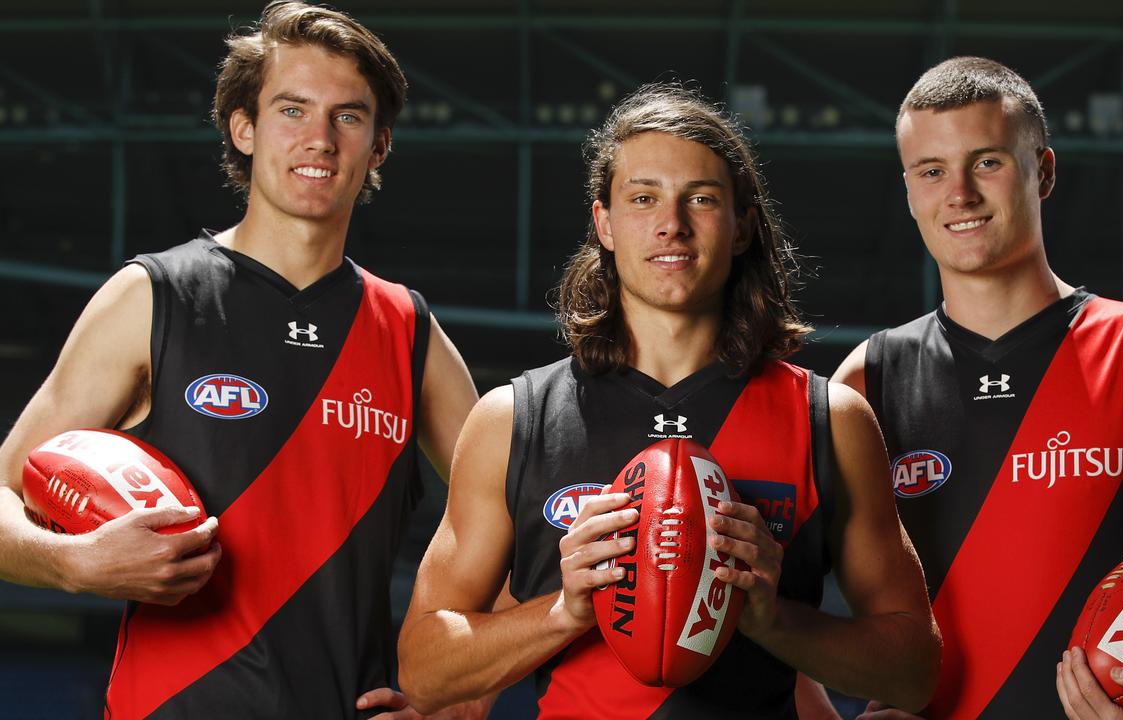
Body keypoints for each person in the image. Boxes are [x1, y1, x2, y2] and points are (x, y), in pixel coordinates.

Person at [396, 83, 941, 719]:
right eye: (643, 197)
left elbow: (913, 673)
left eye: (701, 200)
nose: (670, 224)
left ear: (741, 227)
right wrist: (565, 611)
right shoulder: (514, 419)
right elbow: (424, 669)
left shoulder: (829, 420)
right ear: (603, 222)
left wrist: (773, 620)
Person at [0, 3, 480, 718]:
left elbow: (509, 526)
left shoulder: (410, 333)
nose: (319, 138)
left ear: (379, 146)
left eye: (348, 117)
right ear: (244, 128)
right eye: (292, 109)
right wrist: (75, 564)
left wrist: (459, 703)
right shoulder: (151, 298)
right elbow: (6, 491)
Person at [834, 56, 1123, 719]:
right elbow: (798, 608)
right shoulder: (866, 380)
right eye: (931, 171)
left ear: (1042, 171)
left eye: (987, 162)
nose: (958, 193)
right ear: (909, 191)